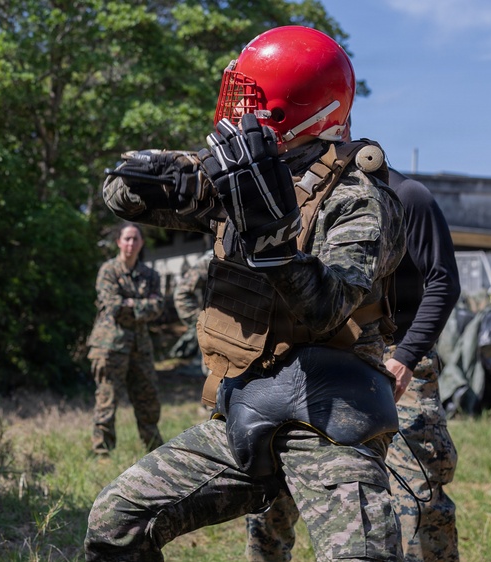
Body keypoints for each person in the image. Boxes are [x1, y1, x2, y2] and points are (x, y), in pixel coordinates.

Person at [85, 25, 407, 561]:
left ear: (290, 111)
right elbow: (119, 195)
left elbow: (328, 307)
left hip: (330, 419)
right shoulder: (237, 178)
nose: (238, 113)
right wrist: (173, 177)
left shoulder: (360, 198)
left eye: (251, 101)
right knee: (115, 520)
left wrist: (275, 241)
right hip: (243, 403)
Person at [244, 168, 462, 561]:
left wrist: (406, 358)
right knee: (270, 491)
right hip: (321, 357)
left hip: (398, 355)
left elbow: (443, 281)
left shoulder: (408, 196)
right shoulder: (307, 198)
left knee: (419, 492)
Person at [85, 223, 165, 456]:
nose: (131, 244)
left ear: (141, 243)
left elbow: (158, 306)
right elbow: (114, 307)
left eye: (135, 239)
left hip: (141, 347)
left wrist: (130, 303)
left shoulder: (151, 275)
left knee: (148, 399)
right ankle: (102, 452)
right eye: (127, 239)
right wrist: (141, 305)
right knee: (107, 399)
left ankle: (154, 451)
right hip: (110, 346)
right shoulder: (108, 271)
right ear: (119, 242)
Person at [169, 249, 213, 373]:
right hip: (220, 339)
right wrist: (201, 322)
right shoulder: (214, 258)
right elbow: (182, 293)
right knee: (218, 386)